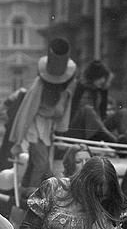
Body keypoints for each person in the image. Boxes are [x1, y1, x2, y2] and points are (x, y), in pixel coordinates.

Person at [8, 37, 78, 190]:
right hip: (35, 128)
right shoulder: (39, 85)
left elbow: (59, 113)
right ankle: (32, 196)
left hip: (47, 129)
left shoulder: (66, 89)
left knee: (43, 167)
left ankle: (25, 190)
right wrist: (19, 140)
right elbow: (28, 113)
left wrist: (66, 93)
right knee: (42, 164)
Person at [67, 60, 127, 144]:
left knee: (123, 112)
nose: (103, 81)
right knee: (88, 110)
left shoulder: (101, 90)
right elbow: (72, 112)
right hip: (81, 129)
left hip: (98, 130)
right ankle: (115, 142)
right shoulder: (79, 88)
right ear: (93, 77)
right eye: (101, 78)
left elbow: (102, 115)